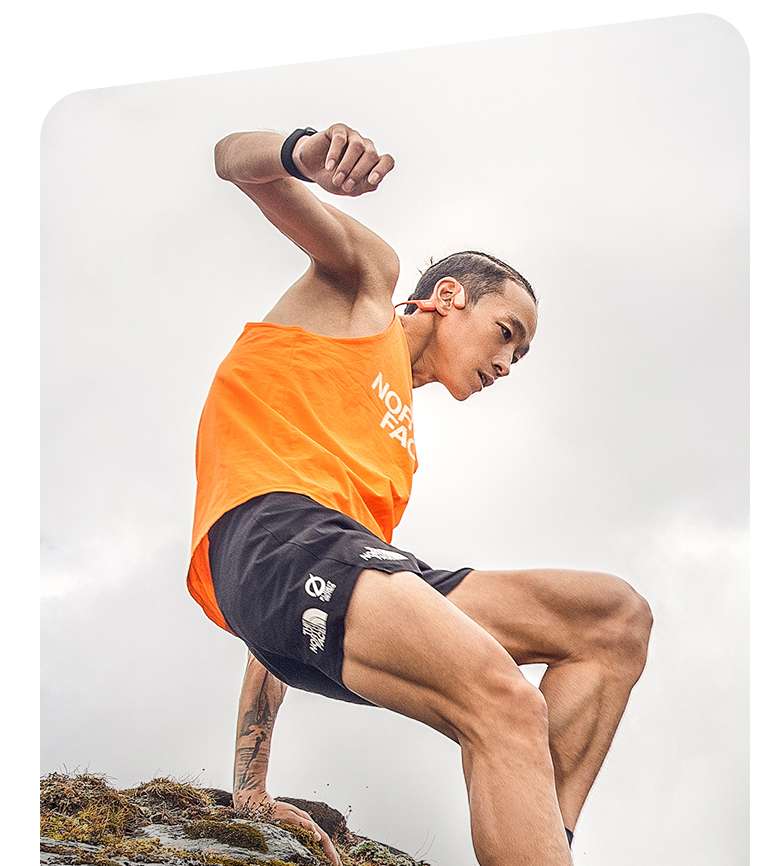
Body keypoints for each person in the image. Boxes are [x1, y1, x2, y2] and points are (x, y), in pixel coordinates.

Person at [187, 122, 653, 866]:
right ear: (448, 297)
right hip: (267, 536)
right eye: (506, 333)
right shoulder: (360, 294)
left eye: (521, 354)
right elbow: (231, 160)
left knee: (610, 618)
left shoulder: (394, 450)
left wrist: (250, 786)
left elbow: (302, 607)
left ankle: (542, 836)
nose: (507, 363)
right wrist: (300, 153)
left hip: (305, 576)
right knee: (505, 701)